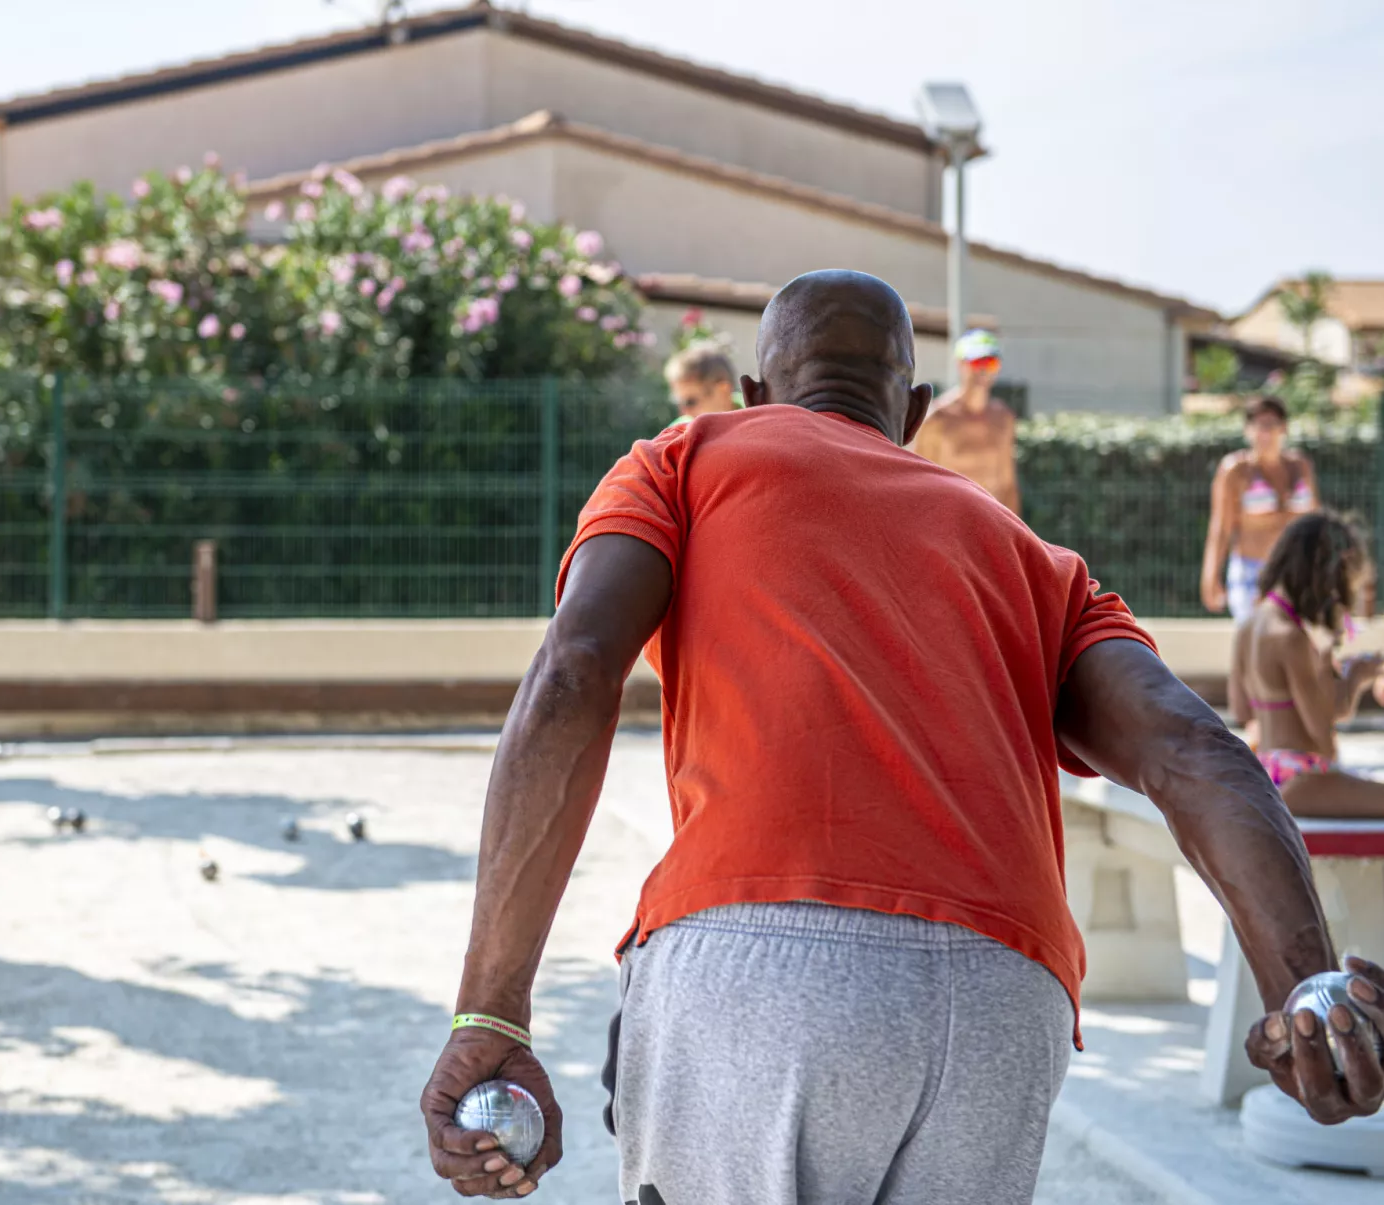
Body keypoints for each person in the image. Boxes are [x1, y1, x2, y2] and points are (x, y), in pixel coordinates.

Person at [422, 270, 1383, 1204]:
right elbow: (1196, 751)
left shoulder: (685, 458)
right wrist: (1308, 993)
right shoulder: (1032, 557)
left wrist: (490, 1009)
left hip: (763, 959)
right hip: (1006, 997)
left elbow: (574, 670)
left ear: (758, 395)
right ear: (916, 410)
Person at [1230, 509, 1384, 817]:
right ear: (1326, 574)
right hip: (1302, 778)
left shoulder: (1250, 625)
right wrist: (1351, 678)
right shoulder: (1292, 638)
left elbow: (1241, 710)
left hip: (1267, 772)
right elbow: (1323, 738)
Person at [1201, 394, 1319, 622]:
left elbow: (1316, 521)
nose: (1265, 433)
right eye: (1258, 425)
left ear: (1283, 428)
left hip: (1295, 571)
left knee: (1297, 647)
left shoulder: (1301, 466)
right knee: (1257, 643)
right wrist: (1210, 576)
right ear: (1248, 430)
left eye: (1271, 425)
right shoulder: (1235, 470)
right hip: (1251, 573)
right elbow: (1221, 528)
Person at [910, 327, 1021, 513]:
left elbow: (1008, 484)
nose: (984, 369)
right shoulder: (937, 419)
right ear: (961, 364)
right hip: (951, 525)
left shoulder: (1003, 418)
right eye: (977, 361)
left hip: (993, 523)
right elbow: (919, 482)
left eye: (991, 362)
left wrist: (1017, 536)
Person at [662, 341, 741, 426]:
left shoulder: (755, 412)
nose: (684, 412)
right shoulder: (679, 432)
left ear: (723, 391)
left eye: (690, 402)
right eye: (679, 403)